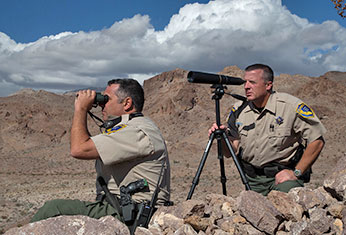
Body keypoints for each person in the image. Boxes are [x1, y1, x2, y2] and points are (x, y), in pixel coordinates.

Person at [31, 78, 170, 222]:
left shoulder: (136, 131)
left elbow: (79, 149)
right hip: (122, 208)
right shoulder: (131, 128)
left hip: (131, 213)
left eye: (106, 100)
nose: (101, 105)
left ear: (127, 103)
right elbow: (90, 146)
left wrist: (81, 109)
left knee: (53, 208)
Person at [209, 64, 326, 196]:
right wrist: (222, 138)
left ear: (268, 85)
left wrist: (296, 172)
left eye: (252, 82)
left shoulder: (290, 106)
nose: (246, 86)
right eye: (245, 82)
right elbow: (231, 151)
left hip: (282, 178)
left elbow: (317, 140)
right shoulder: (239, 110)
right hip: (252, 180)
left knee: (285, 209)